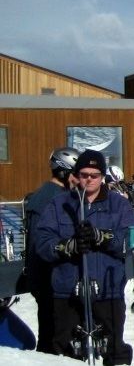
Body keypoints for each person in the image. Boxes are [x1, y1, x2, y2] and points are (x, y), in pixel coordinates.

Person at [33, 150, 134, 364]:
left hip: (108, 290)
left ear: (103, 177)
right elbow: (42, 243)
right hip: (67, 291)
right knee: (64, 351)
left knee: (115, 349)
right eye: (84, 174)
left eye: (94, 175)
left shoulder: (119, 205)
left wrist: (103, 237)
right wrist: (67, 246)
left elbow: (131, 241)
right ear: (76, 174)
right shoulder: (58, 204)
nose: (89, 179)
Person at [22, 147, 80, 354]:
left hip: (54, 278)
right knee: (54, 338)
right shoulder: (49, 199)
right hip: (49, 279)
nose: (79, 180)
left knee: (55, 334)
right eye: (76, 174)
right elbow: (42, 244)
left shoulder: (58, 195)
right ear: (64, 172)